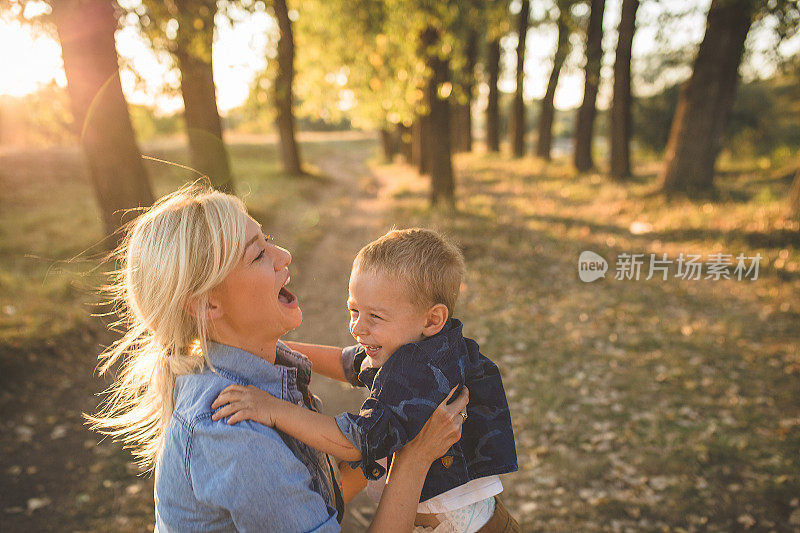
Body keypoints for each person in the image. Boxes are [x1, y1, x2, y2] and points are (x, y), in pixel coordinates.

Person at [86, 183, 469, 532]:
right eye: (258, 255)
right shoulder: (235, 434)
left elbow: (314, 487)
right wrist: (414, 459)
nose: (283, 255)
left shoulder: (261, 370)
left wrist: (388, 446)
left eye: (267, 239)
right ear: (206, 304)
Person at [213, 228, 519, 532]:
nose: (358, 328)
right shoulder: (416, 344)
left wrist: (272, 409)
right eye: (353, 310)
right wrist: (280, 348)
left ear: (431, 319)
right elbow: (348, 362)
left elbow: (356, 443)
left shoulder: (419, 371)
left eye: (375, 317)